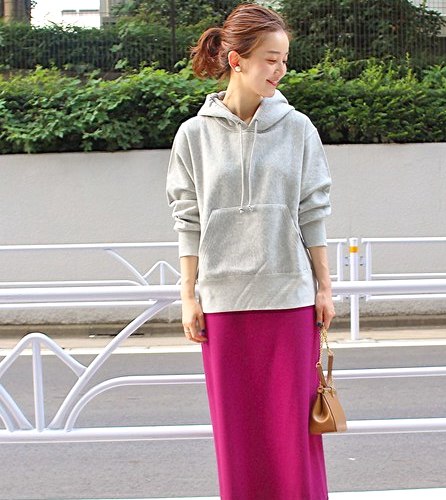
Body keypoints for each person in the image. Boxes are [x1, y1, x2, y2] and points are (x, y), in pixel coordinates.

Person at [166, 4, 335, 499]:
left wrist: (325, 288)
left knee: (292, 436)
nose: (280, 71)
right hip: (223, 304)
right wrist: (188, 296)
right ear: (236, 60)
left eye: (284, 60)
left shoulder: (298, 128)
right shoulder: (193, 135)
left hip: (290, 300)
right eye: (270, 60)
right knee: (238, 437)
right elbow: (188, 219)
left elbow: (313, 211)